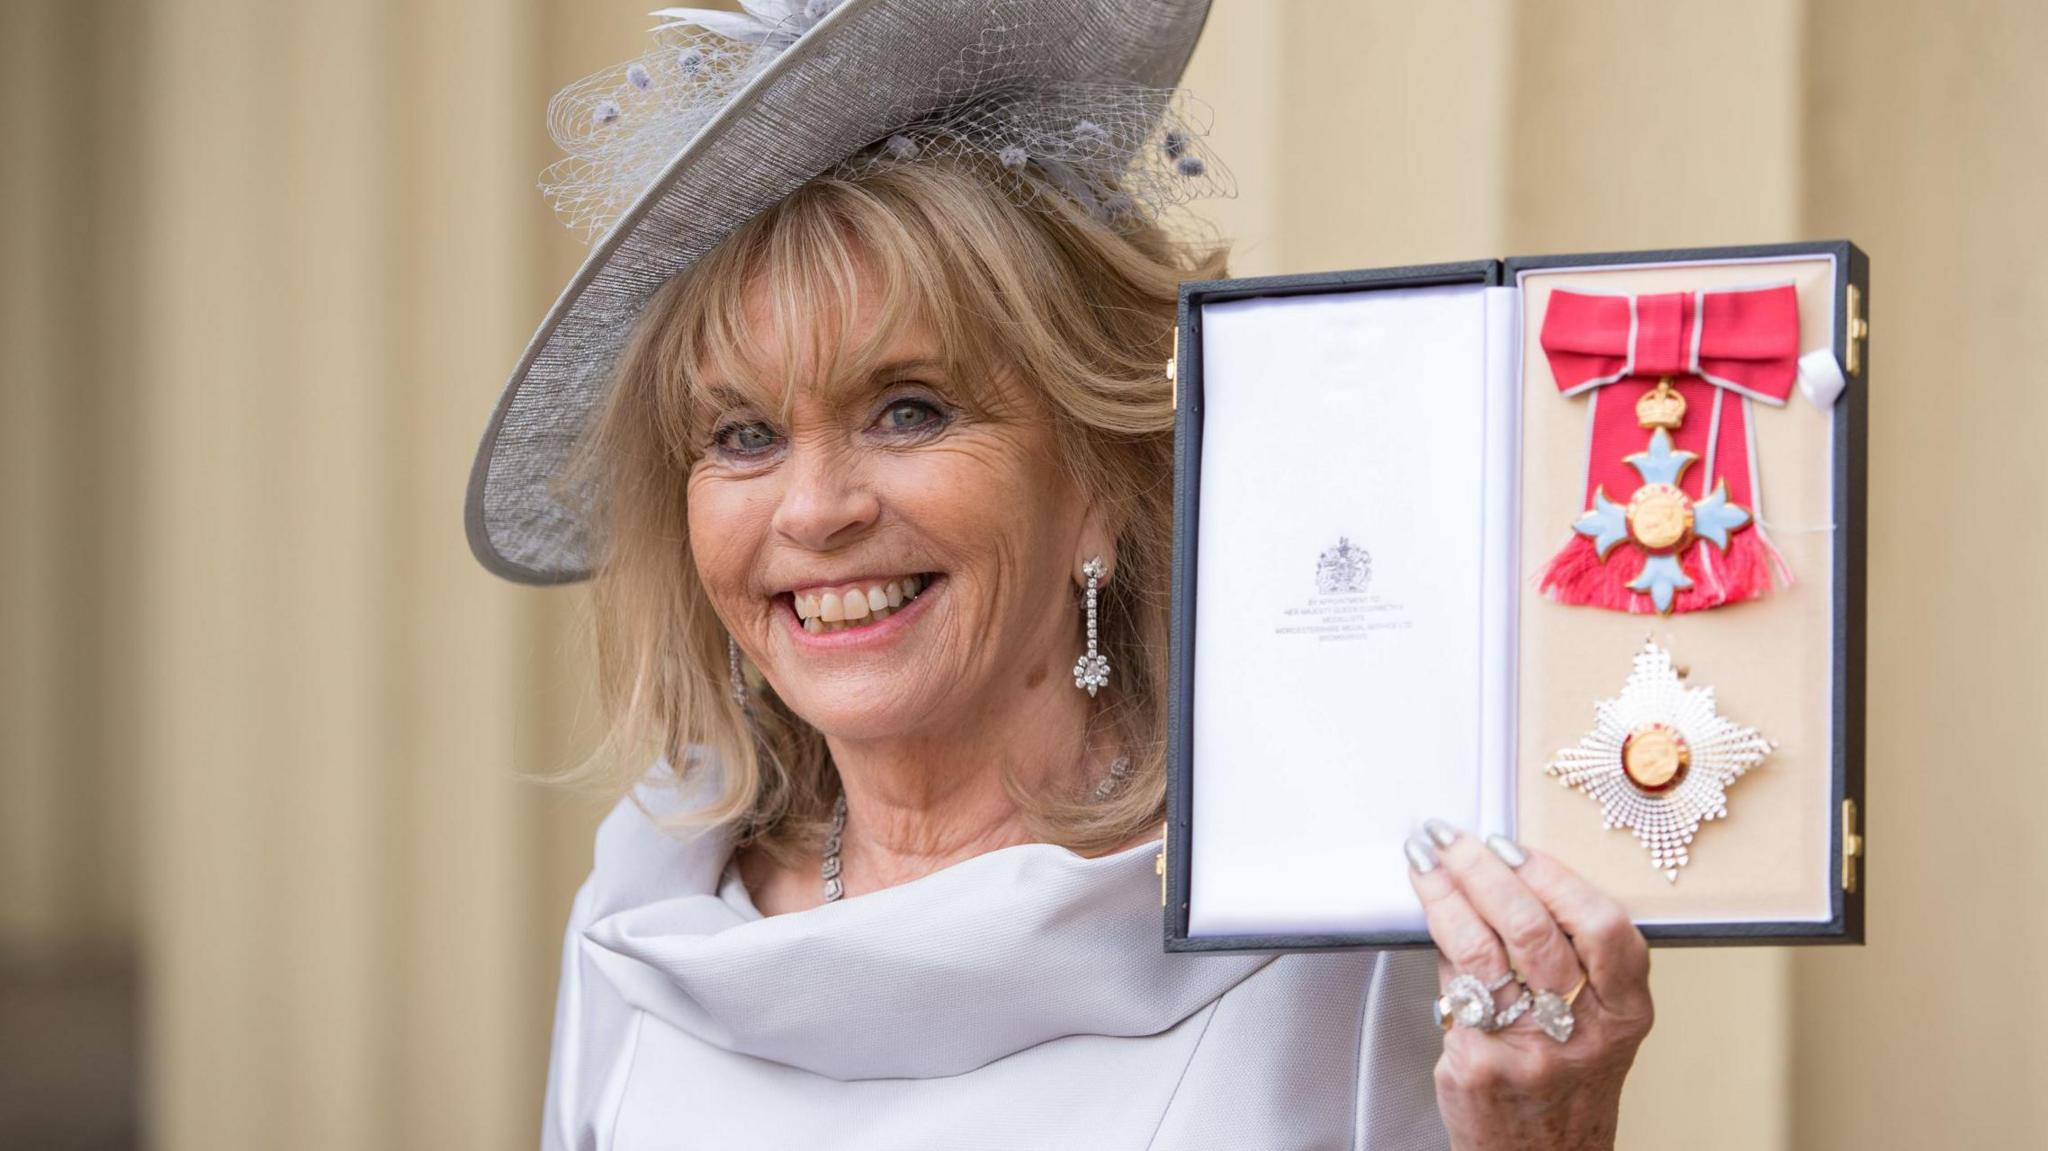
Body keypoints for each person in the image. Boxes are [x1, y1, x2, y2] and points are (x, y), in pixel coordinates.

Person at [464, 2, 1654, 1147]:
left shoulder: (1322, 937)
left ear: (1097, 480)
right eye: (741, 435)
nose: (816, 508)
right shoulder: (643, 917)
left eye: (909, 409)